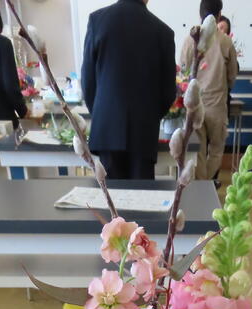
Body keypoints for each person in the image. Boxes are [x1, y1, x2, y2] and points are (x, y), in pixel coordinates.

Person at [81, 0, 176, 180]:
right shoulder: (163, 32)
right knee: (142, 194)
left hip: (107, 127)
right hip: (144, 130)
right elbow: (168, 92)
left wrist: (103, 113)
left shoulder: (97, 21)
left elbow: (88, 82)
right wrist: (149, 116)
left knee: (109, 193)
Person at [180, 0, 238, 183]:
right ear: (219, 15)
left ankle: (201, 184)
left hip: (194, 104)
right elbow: (232, 75)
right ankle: (207, 182)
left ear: (200, 13)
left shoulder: (190, 39)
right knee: (216, 149)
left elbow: (183, 71)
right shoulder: (225, 41)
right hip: (217, 104)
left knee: (197, 150)